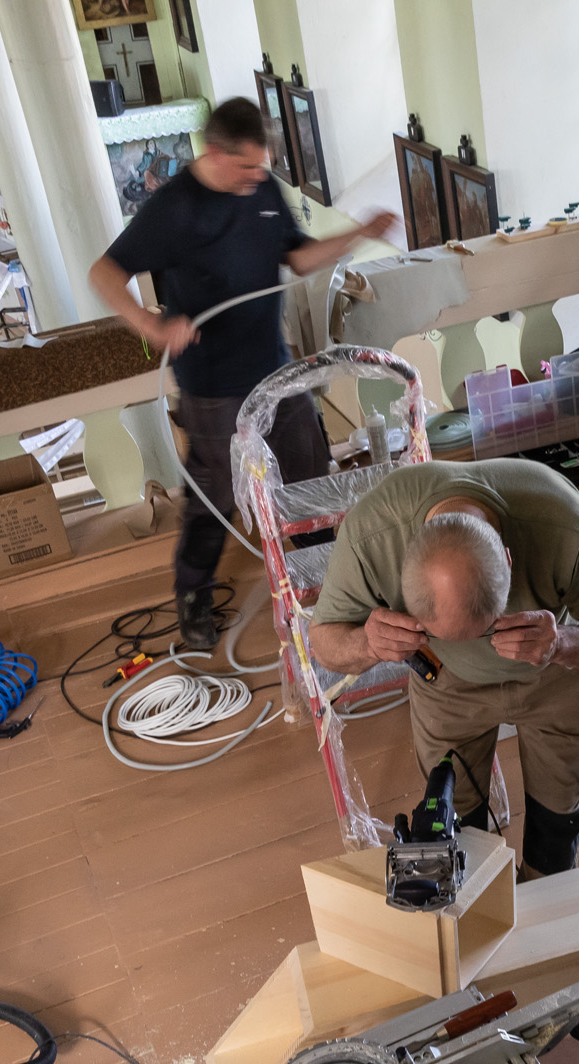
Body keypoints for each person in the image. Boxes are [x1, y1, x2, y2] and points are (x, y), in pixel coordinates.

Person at [89, 97, 394, 650]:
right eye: (247, 166)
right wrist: (152, 325)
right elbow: (105, 273)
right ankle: (193, 595)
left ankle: (336, 583)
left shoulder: (264, 189)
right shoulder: (174, 208)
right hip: (212, 385)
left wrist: (359, 232)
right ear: (214, 152)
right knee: (216, 494)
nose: (258, 177)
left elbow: (299, 258)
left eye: (263, 165)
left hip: (275, 370)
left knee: (310, 475)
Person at [310, 460, 579, 876]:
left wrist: (562, 642)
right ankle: (482, 895)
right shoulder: (372, 537)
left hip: (552, 668)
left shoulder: (562, 520)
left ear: (509, 559)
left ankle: (545, 887)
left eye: (486, 628)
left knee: (556, 822)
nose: (478, 644)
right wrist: (368, 644)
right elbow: (323, 643)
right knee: (456, 826)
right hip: (445, 681)